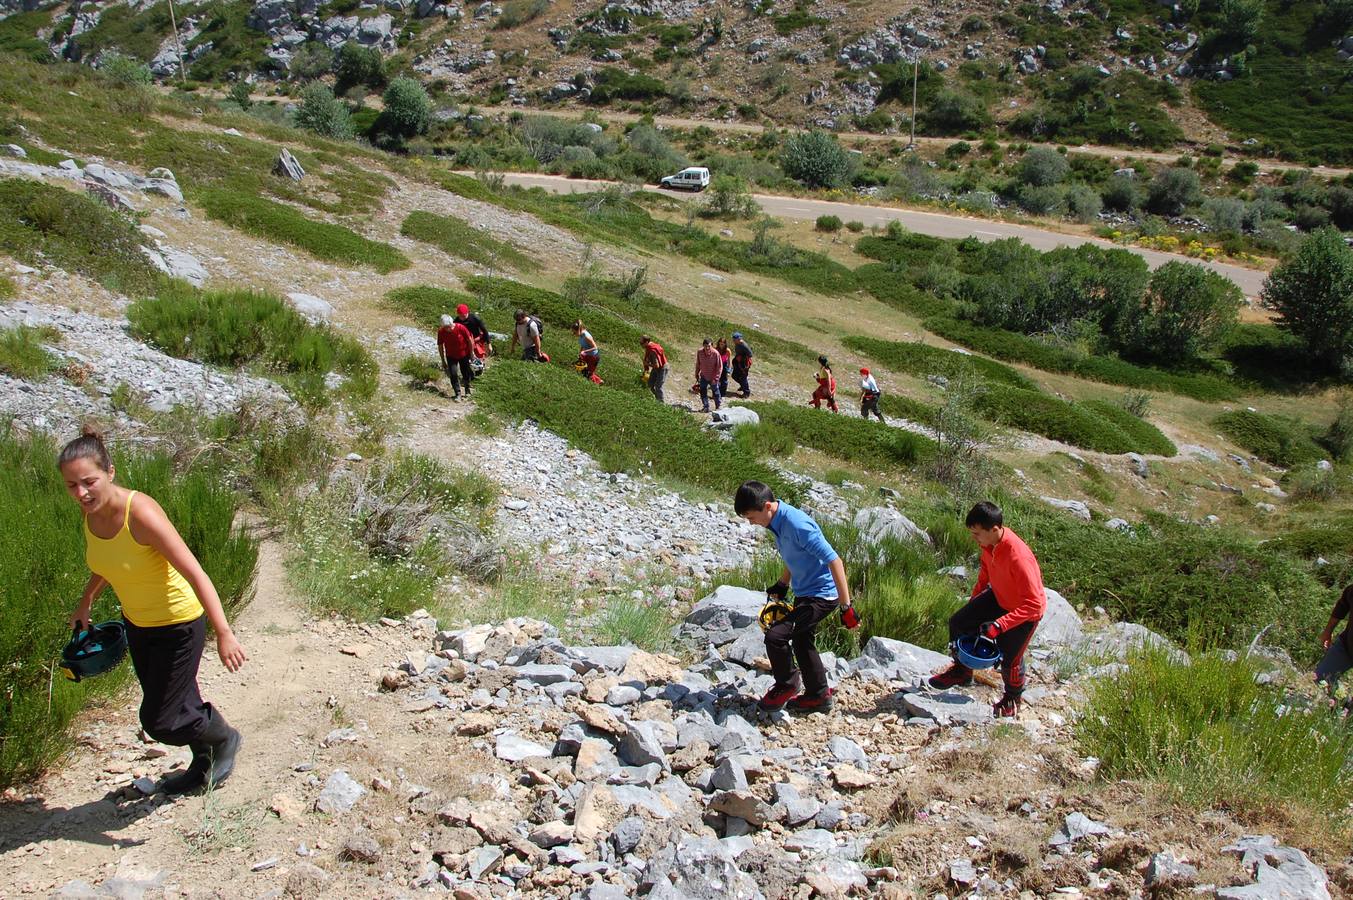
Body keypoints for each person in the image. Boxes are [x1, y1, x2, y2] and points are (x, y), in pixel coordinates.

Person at [59, 427, 247, 794]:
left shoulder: (140, 513)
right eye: (71, 485)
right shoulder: (92, 515)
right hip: (138, 624)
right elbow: (106, 561)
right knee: (180, 700)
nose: (81, 493)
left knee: (160, 719)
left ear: (110, 472)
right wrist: (85, 601)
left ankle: (224, 738)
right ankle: (203, 761)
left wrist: (223, 631)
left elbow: (195, 571)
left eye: (88, 481)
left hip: (178, 623)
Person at [735, 480, 858, 713]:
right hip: (805, 592)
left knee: (776, 636)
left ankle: (787, 684)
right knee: (802, 642)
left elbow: (835, 560)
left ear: (768, 507)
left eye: (751, 517)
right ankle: (819, 696)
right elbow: (795, 556)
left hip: (822, 595)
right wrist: (783, 584)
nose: (751, 523)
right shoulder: (777, 524)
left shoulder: (797, 524)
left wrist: (846, 607)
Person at [929, 501, 1046, 718]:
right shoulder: (989, 545)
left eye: (976, 533)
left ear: (994, 529)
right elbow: (985, 574)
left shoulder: (1018, 557)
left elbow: (1034, 604)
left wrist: (1000, 625)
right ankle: (962, 671)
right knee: (959, 622)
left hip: (1024, 612)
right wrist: (974, 603)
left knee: (1010, 660)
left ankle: (1012, 699)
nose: (974, 538)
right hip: (999, 596)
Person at [1315, 584, 1353, 704]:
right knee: (1321, 678)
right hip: (1347, 645)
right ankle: (1340, 704)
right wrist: (1327, 632)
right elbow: (1343, 605)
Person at [437, 314, 475, 400]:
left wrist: (472, 353)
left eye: (449, 326)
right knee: (453, 374)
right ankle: (457, 393)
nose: (448, 329)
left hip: (464, 354)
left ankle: (467, 390)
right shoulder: (441, 332)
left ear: (452, 323)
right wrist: (443, 360)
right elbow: (440, 346)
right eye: (445, 327)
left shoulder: (461, 328)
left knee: (465, 372)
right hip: (451, 355)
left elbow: (470, 340)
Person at [695, 338, 723, 413]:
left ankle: (718, 406)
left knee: (715, 392)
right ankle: (706, 406)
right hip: (704, 375)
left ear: (712, 346)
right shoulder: (700, 352)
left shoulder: (716, 353)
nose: (707, 348)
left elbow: (719, 367)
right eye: (705, 346)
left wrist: (716, 378)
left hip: (713, 377)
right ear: (703, 346)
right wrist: (696, 373)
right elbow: (698, 364)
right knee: (703, 392)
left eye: (709, 346)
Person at [573, 319, 603, 385]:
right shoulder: (581, 335)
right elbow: (583, 345)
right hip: (587, 355)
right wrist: (580, 352)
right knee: (584, 370)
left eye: (574, 332)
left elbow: (595, 347)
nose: (574, 334)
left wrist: (584, 352)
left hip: (594, 356)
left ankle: (597, 384)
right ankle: (599, 381)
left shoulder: (586, 336)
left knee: (589, 373)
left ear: (578, 330)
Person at [640, 334, 669, 403]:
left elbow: (657, 365)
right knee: (650, 384)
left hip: (662, 368)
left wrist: (647, 364)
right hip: (658, 368)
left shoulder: (652, 350)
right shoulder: (651, 345)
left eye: (641, 343)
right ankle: (656, 399)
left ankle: (661, 403)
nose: (640, 345)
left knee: (658, 386)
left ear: (646, 342)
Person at [731, 332, 753, 398]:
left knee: (743, 378)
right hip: (738, 362)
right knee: (734, 376)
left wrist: (742, 357)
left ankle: (746, 392)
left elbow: (750, 354)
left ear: (739, 339)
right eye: (733, 339)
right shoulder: (737, 344)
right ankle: (743, 386)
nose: (733, 340)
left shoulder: (744, 345)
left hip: (744, 364)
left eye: (734, 339)